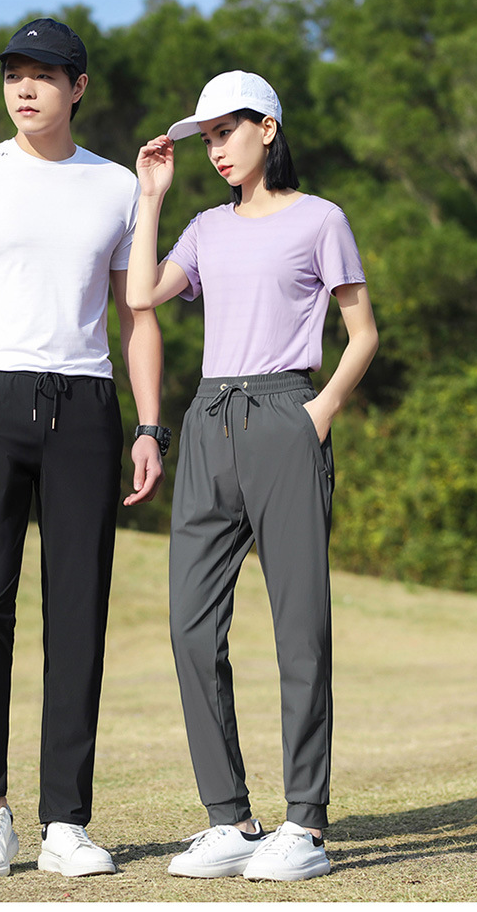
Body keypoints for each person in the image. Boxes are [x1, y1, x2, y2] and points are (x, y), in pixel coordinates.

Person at [0, 18, 168, 880]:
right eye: (14, 73)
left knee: (78, 614)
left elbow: (136, 316)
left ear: (77, 87)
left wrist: (148, 424)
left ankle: (66, 822)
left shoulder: (117, 187)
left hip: (86, 407)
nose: (24, 87)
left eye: (44, 75)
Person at [127, 70, 379, 882]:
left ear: (267, 127)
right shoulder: (205, 227)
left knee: (299, 629)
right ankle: (230, 819)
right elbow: (140, 292)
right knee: (190, 628)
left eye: (226, 131)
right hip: (208, 419)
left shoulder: (321, 219)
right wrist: (152, 197)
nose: (216, 149)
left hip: (284, 415)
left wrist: (320, 411)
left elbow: (363, 332)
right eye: (206, 137)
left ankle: (306, 823)